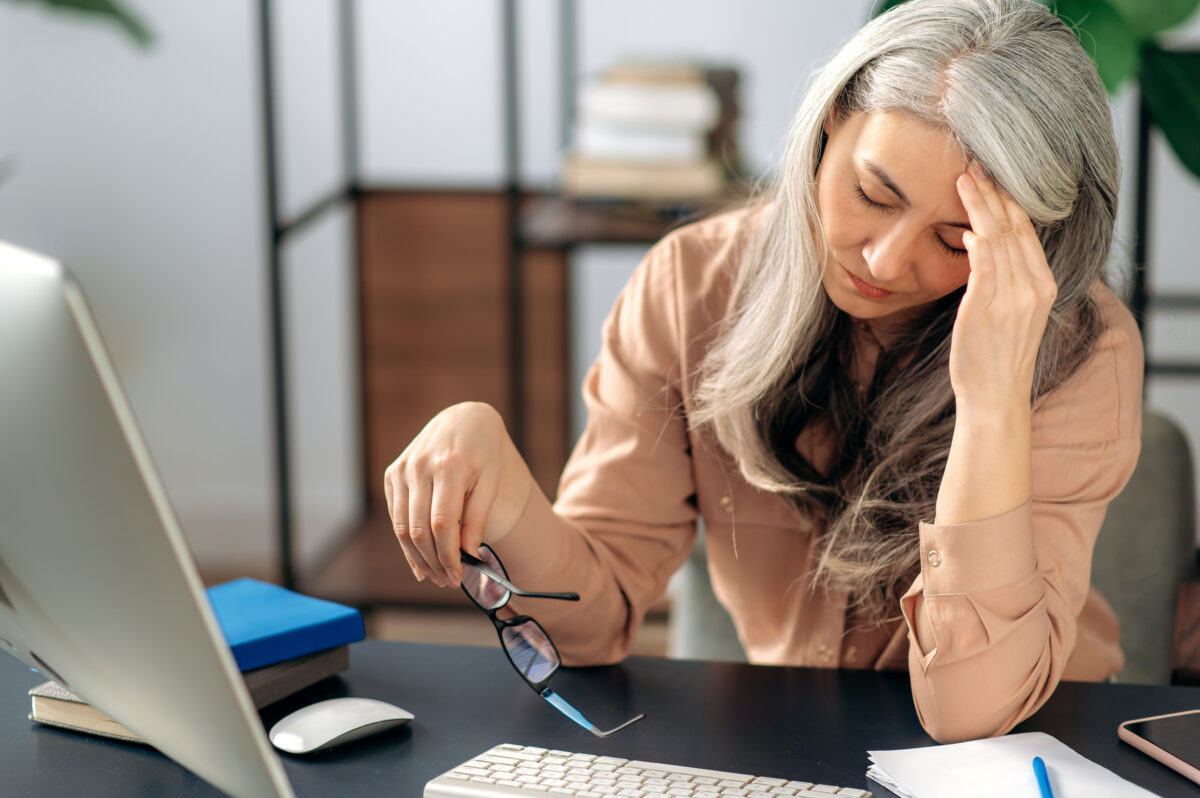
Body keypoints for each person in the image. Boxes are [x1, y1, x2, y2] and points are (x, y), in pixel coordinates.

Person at [383, 0, 1142, 743]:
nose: (884, 259)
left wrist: (992, 404)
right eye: (872, 195)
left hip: (1037, 749)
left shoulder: (1082, 348)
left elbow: (970, 714)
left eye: (956, 241)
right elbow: (591, 622)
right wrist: (501, 479)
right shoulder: (692, 286)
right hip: (794, 740)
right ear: (827, 128)